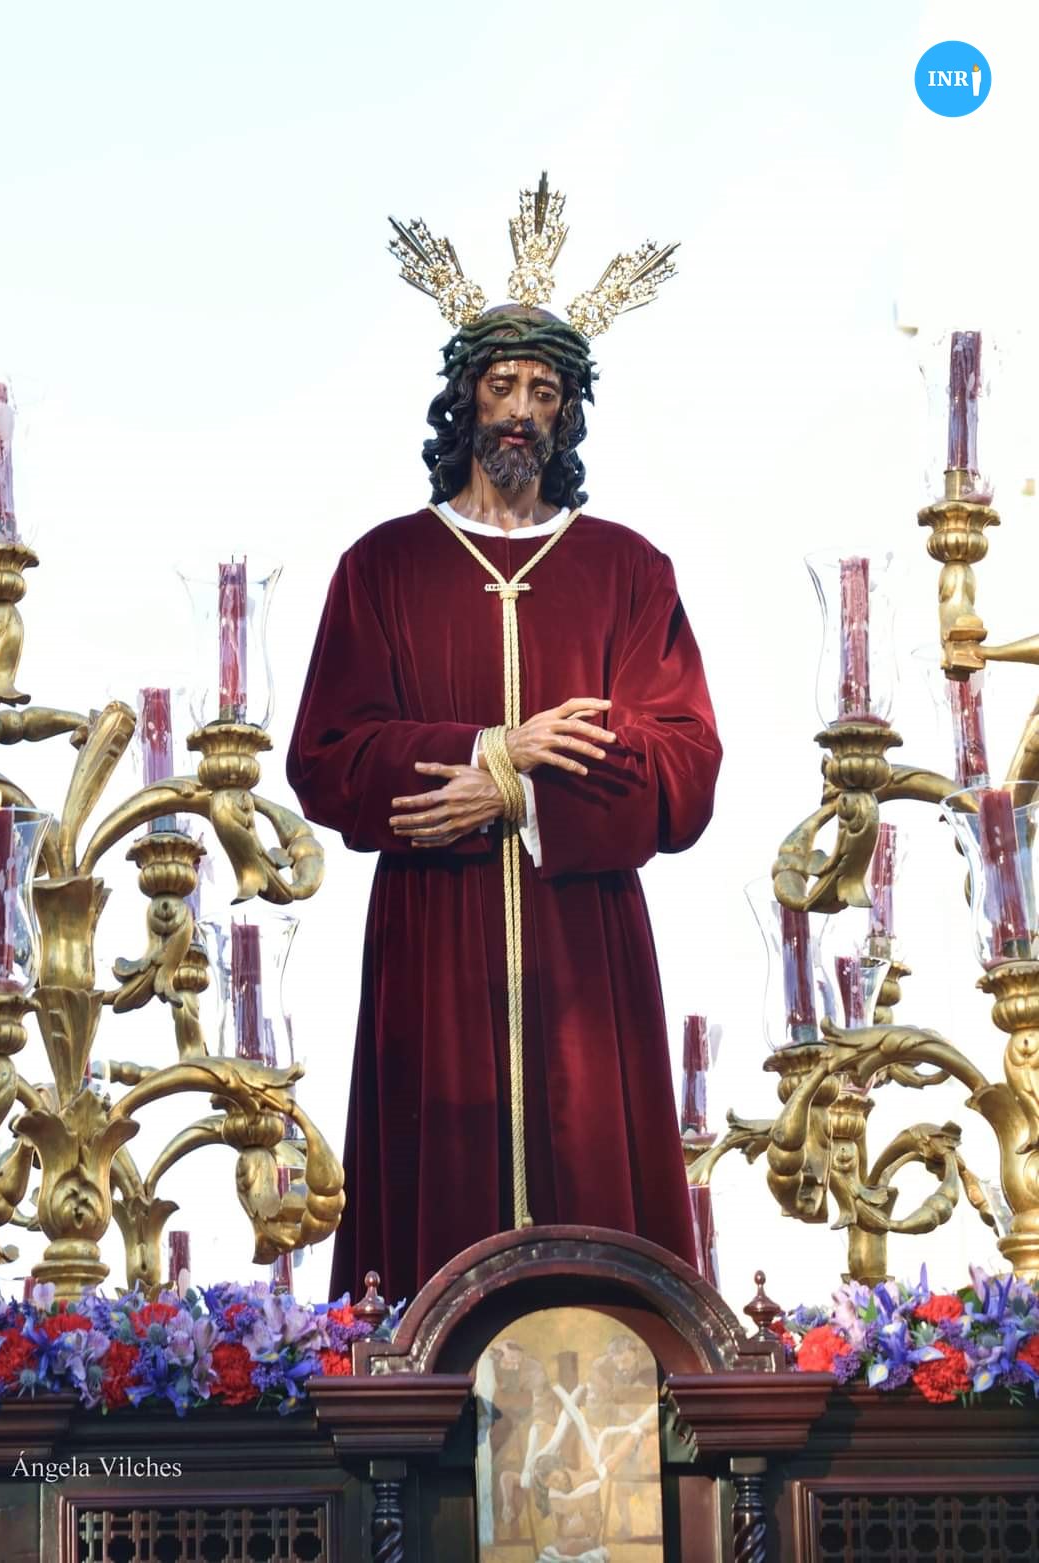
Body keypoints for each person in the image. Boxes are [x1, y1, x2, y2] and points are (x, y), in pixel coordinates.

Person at [288, 181, 722, 1304]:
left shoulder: (627, 568)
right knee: (433, 1239)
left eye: (545, 391)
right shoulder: (384, 565)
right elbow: (327, 754)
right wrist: (493, 748)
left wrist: (524, 796)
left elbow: (684, 761)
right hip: (433, 938)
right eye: (502, 385)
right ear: (464, 401)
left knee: (598, 1226)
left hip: (587, 945)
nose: (521, 410)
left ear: (568, 416)